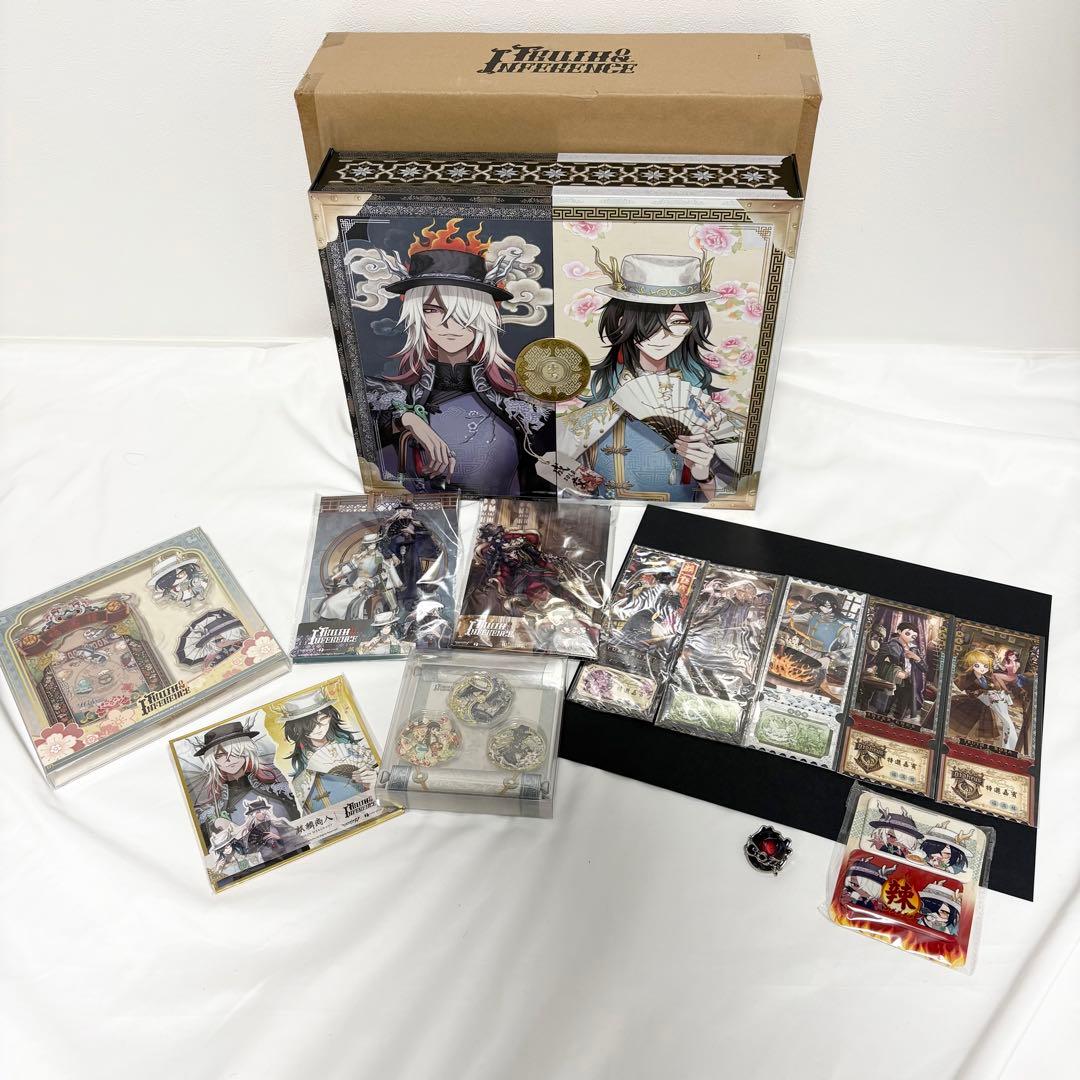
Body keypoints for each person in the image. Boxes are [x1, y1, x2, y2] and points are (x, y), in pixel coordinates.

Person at [365, 218, 551, 494]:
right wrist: (407, 419)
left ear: (483, 316)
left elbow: (546, 483)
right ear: (417, 315)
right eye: (432, 310)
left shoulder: (519, 406)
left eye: (463, 313)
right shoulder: (395, 398)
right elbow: (358, 430)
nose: (449, 325)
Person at [557, 252, 740, 502]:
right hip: (609, 517)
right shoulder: (598, 411)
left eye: (677, 322)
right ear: (622, 321)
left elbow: (733, 502)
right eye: (647, 322)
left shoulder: (701, 411)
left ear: (692, 326)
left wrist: (704, 475)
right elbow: (558, 477)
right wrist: (585, 485)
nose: (661, 335)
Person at [191, 720, 300, 842]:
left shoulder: (278, 789)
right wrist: (216, 824)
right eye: (219, 756)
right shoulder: (216, 809)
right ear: (213, 761)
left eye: (235, 752)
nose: (228, 760)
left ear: (246, 751)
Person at [282, 689, 377, 813]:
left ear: (330, 716)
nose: (317, 729)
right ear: (296, 728)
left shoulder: (353, 749)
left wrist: (372, 783)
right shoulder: (302, 770)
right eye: (308, 726)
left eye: (322, 719)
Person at [949, 647, 1016, 750]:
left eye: (985, 666)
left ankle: (968, 747)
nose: (982, 668)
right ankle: (957, 745)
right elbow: (963, 686)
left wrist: (994, 689)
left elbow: (993, 688)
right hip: (971, 704)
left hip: (985, 706)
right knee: (964, 728)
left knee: (979, 733)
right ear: (972, 665)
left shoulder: (986, 678)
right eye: (977, 665)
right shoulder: (968, 677)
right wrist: (978, 692)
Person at [868, 621, 928, 721]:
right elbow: (878, 662)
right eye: (907, 633)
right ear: (899, 631)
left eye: (913, 636)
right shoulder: (889, 645)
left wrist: (916, 658)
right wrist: (895, 671)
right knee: (884, 709)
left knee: (900, 711)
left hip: (909, 682)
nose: (910, 637)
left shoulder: (915, 649)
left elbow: (925, 669)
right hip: (893, 680)